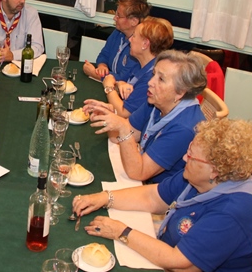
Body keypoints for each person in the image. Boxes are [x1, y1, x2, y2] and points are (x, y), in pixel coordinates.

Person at [73, 119, 252, 272]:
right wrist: (104, 197)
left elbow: (180, 263)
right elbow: (153, 197)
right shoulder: (201, 178)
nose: (184, 159)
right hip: (168, 257)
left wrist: (121, 232)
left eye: (191, 157)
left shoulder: (232, 212)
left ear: (215, 170)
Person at [85, 50, 206, 183]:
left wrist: (122, 127)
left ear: (180, 92)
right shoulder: (157, 102)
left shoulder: (184, 128)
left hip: (157, 189)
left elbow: (138, 172)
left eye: (161, 79)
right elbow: (118, 137)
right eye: (153, 74)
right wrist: (110, 116)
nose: (150, 82)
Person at [101, 17, 173, 118]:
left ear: (145, 44)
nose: (130, 40)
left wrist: (108, 87)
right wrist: (120, 84)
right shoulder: (140, 64)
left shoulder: (152, 78)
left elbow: (123, 113)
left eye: (134, 36)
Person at [82, 0, 151, 81]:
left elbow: (122, 78)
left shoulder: (138, 47)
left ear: (133, 21)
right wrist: (102, 65)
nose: (114, 18)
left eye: (119, 16)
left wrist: (93, 73)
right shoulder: (117, 33)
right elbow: (104, 54)